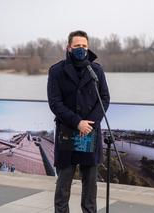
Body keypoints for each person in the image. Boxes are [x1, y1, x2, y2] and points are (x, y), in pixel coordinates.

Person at [47, 30, 110, 213]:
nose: (81, 49)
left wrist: (89, 123)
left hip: (90, 132)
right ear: (68, 47)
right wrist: (77, 123)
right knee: (63, 185)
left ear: (88, 47)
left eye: (84, 46)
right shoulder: (57, 70)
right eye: (77, 46)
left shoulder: (96, 70)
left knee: (90, 186)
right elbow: (55, 103)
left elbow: (104, 98)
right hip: (67, 133)